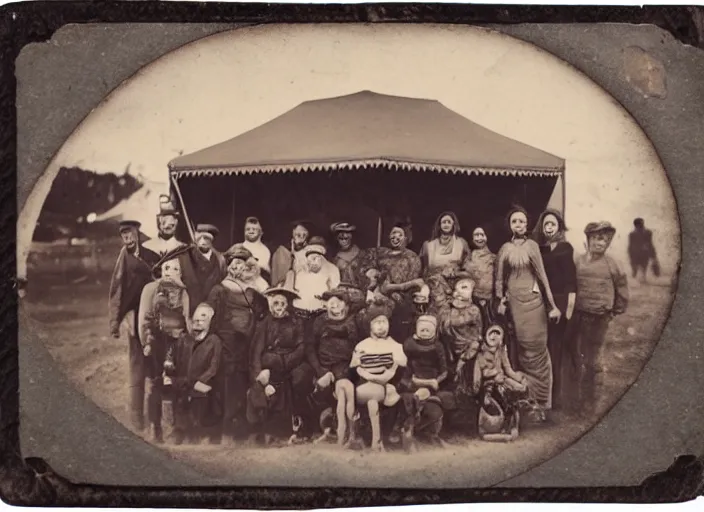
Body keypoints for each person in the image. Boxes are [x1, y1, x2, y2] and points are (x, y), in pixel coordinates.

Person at [495, 206, 561, 419]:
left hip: (534, 304)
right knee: (523, 350)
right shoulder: (504, 248)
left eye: (522, 222)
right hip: (515, 304)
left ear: (527, 224)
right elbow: (498, 278)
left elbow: (542, 277)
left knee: (537, 350)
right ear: (510, 225)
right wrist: (500, 301)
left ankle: (543, 402)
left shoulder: (532, 246)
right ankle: (528, 401)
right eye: (514, 222)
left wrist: (552, 306)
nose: (518, 225)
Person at [565, 221, 629, 418]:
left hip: (599, 318)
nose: (600, 243)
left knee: (593, 360)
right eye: (595, 238)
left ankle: (590, 404)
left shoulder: (613, 264)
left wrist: (614, 311)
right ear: (588, 239)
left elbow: (622, 291)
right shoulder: (578, 261)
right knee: (577, 357)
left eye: (604, 240)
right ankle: (573, 401)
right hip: (578, 316)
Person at [206, 245, 268, 441]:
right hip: (227, 346)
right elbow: (212, 321)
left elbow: (262, 312)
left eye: (242, 263)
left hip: (248, 345)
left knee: (244, 386)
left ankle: (245, 430)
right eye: (235, 263)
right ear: (229, 265)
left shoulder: (251, 290)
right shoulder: (219, 290)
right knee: (228, 386)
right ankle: (226, 430)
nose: (238, 267)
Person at [108, 220, 160, 431]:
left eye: (130, 234)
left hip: (153, 316)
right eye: (123, 236)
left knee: (157, 365)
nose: (127, 239)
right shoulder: (124, 259)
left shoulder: (152, 254)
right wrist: (116, 321)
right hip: (133, 316)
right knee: (137, 366)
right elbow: (116, 290)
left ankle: (157, 418)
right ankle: (137, 417)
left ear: (137, 233)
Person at [137, 245, 192, 443]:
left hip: (178, 343)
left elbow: (188, 319)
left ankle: (176, 428)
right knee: (155, 384)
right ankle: (155, 425)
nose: (171, 273)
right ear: (161, 270)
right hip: (157, 340)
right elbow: (145, 318)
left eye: (176, 269)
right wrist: (147, 342)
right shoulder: (152, 289)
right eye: (167, 268)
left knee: (176, 383)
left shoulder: (184, 292)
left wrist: (187, 341)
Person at [247, 285, 313, 445]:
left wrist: (286, 361)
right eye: (276, 303)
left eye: (283, 304)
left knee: (299, 379)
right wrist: (260, 375)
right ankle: (271, 432)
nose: (279, 308)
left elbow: (301, 347)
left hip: (293, 363)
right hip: (271, 364)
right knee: (267, 386)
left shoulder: (297, 322)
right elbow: (256, 352)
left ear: (288, 305)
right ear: (271, 305)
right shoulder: (264, 324)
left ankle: (301, 427)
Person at [532, 209, 577, 411]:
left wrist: (567, 310)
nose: (549, 228)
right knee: (544, 349)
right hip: (542, 302)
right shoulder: (540, 249)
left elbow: (571, 281)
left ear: (559, 226)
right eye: (546, 225)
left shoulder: (565, 248)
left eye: (552, 224)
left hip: (559, 303)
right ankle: (542, 397)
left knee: (556, 350)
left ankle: (557, 398)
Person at [306, 287, 361, 444]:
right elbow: (310, 348)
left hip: (345, 368)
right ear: (325, 304)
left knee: (345, 390)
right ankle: (326, 429)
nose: (335, 304)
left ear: (345, 305)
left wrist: (343, 371)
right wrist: (321, 371)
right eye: (331, 301)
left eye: (339, 301)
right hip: (323, 367)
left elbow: (356, 348)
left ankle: (349, 433)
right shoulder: (319, 322)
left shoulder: (352, 323)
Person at [350, 306, 407, 452]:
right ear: (369, 325)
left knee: (376, 399)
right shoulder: (362, 345)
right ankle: (371, 439)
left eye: (384, 322)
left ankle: (378, 440)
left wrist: (382, 378)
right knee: (370, 397)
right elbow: (355, 368)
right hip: (366, 385)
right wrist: (368, 375)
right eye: (377, 322)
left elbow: (398, 368)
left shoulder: (395, 346)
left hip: (388, 384)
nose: (382, 326)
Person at [359, 220, 424, 341]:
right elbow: (369, 269)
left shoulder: (412, 257)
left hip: (402, 297)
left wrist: (397, 288)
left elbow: (413, 282)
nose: (395, 236)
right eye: (393, 233)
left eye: (399, 234)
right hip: (380, 293)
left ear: (406, 238)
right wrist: (371, 273)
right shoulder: (382, 254)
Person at [170, 303, 223, 445]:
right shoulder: (185, 340)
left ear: (210, 321)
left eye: (203, 317)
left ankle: (199, 431)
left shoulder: (214, 341)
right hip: (185, 382)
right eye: (196, 317)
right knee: (176, 392)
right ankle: (180, 430)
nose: (198, 320)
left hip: (203, 383)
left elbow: (214, 367)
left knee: (201, 398)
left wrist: (200, 380)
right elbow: (175, 360)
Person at [398, 314, 451, 451]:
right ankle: (407, 432)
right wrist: (410, 381)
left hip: (431, 383)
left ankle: (431, 434)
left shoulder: (438, 346)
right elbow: (404, 368)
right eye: (422, 329)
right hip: (412, 381)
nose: (425, 332)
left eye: (428, 330)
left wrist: (436, 381)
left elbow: (444, 371)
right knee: (415, 398)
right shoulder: (409, 344)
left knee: (433, 406)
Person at [473, 324, 528, 442]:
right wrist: (494, 373)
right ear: (486, 336)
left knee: (519, 389)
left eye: (497, 334)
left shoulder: (501, 350)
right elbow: (483, 373)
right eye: (491, 333)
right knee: (501, 395)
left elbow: (507, 368)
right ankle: (498, 427)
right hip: (488, 384)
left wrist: (518, 378)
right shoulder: (481, 353)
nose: (494, 336)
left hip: (501, 379)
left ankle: (512, 424)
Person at [420, 211, 473, 311]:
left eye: (449, 222)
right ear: (439, 225)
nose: (446, 224)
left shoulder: (461, 243)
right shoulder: (428, 245)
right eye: (443, 222)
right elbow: (424, 270)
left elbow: (468, 269)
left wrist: (456, 273)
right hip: (434, 289)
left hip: (456, 288)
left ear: (454, 225)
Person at [437, 278, 483, 389]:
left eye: (466, 287)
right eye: (461, 287)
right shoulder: (447, 308)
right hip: (451, 345)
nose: (463, 290)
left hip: (468, 345)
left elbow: (458, 322)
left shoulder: (473, 310)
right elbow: (442, 324)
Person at [180, 224, 227, 315]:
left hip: (212, 308)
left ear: (212, 240)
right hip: (189, 307)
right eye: (200, 238)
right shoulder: (185, 256)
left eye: (206, 238)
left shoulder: (220, 259)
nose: (203, 241)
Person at [289, 236, 341, 314]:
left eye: (317, 255)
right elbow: (295, 289)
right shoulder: (300, 268)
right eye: (311, 251)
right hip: (300, 308)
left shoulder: (332, 269)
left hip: (321, 309)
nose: (314, 261)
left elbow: (335, 291)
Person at [466, 226, 497, 328]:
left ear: (487, 237)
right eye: (476, 235)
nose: (479, 238)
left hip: (490, 301)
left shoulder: (494, 257)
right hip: (472, 300)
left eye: (482, 235)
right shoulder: (469, 257)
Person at [270, 220, 314, 287]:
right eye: (298, 230)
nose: (301, 233)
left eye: (304, 230)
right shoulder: (282, 251)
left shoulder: (311, 251)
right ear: (293, 232)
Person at [330, 222, 365, 286]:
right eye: (341, 238)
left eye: (346, 238)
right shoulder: (336, 259)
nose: (344, 241)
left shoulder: (361, 254)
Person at [628, 217, 659, 284]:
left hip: (644, 253)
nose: (642, 225)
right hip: (635, 253)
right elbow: (630, 245)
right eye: (640, 224)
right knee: (635, 269)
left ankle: (642, 279)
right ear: (636, 225)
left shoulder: (648, 233)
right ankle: (635, 279)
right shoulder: (632, 234)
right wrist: (630, 255)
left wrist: (653, 255)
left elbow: (650, 243)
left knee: (643, 266)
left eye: (642, 224)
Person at [242, 216, 272, 283]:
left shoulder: (265, 251)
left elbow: (264, 272)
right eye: (248, 229)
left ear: (261, 232)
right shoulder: (239, 247)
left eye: (254, 229)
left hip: (258, 282)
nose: (251, 231)